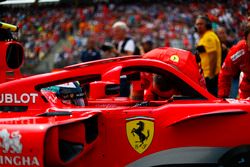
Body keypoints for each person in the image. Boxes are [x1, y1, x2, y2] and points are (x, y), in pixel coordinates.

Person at [218, 27, 250, 99]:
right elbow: (225, 73)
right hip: (246, 87)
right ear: (246, 41)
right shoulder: (239, 50)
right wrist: (223, 96)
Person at [195, 14, 222, 96]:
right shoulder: (205, 37)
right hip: (206, 74)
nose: (198, 26)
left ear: (207, 25)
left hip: (209, 76)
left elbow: (213, 56)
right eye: (197, 24)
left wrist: (211, 76)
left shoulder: (209, 37)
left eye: (201, 24)